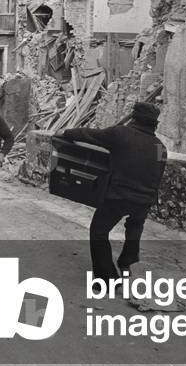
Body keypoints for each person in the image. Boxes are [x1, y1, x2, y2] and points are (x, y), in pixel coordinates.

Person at [60, 102, 167, 287]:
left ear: (134, 118)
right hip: (145, 198)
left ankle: (107, 278)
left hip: (119, 195)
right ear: (154, 124)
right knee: (134, 228)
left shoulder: (121, 134)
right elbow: (158, 173)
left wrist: (66, 133)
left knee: (98, 231)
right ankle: (126, 262)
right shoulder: (160, 147)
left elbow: (89, 135)